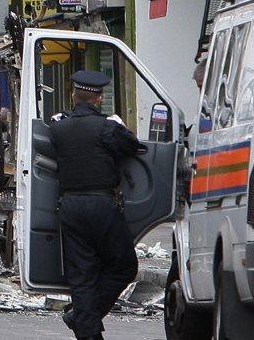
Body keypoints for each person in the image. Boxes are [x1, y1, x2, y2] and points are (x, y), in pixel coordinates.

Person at [50, 70, 142, 340]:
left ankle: (84, 322)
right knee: (124, 265)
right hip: (101, 205)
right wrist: (118, 126)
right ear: (99, 99)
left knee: (82, 277)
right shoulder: (107, 127)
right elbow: (133, 147)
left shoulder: (59, 127)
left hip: (69, 206)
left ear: (73, 95)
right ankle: (80, 316)